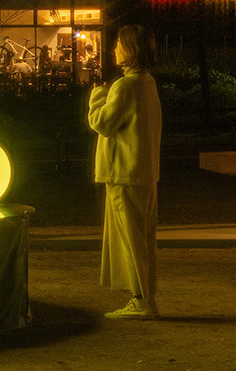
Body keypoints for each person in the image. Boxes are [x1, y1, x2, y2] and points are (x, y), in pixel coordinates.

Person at [88, 24, 162, 320]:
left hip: (123, 172)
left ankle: (140, 301)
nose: (114, 48)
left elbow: (102, 123)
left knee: (129, 239)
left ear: (130, 49)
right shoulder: (147, 82)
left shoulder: (124, 86)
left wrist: (96, 96)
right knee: (144, 238)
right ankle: (147, 297)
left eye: (118, 43)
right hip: (145, 171)